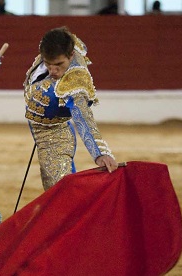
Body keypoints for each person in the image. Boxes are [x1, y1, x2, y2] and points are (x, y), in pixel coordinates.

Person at [23, 27, 118, 191]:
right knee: (63, 185)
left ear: (71, 56)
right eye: (48, 64)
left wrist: (100, 153)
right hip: (45, 122)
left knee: (58, 191)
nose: (53, 71)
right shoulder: (58, 46)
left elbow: (83, 116)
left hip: (54, 132)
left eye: (59, 64)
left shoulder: (75, 79)